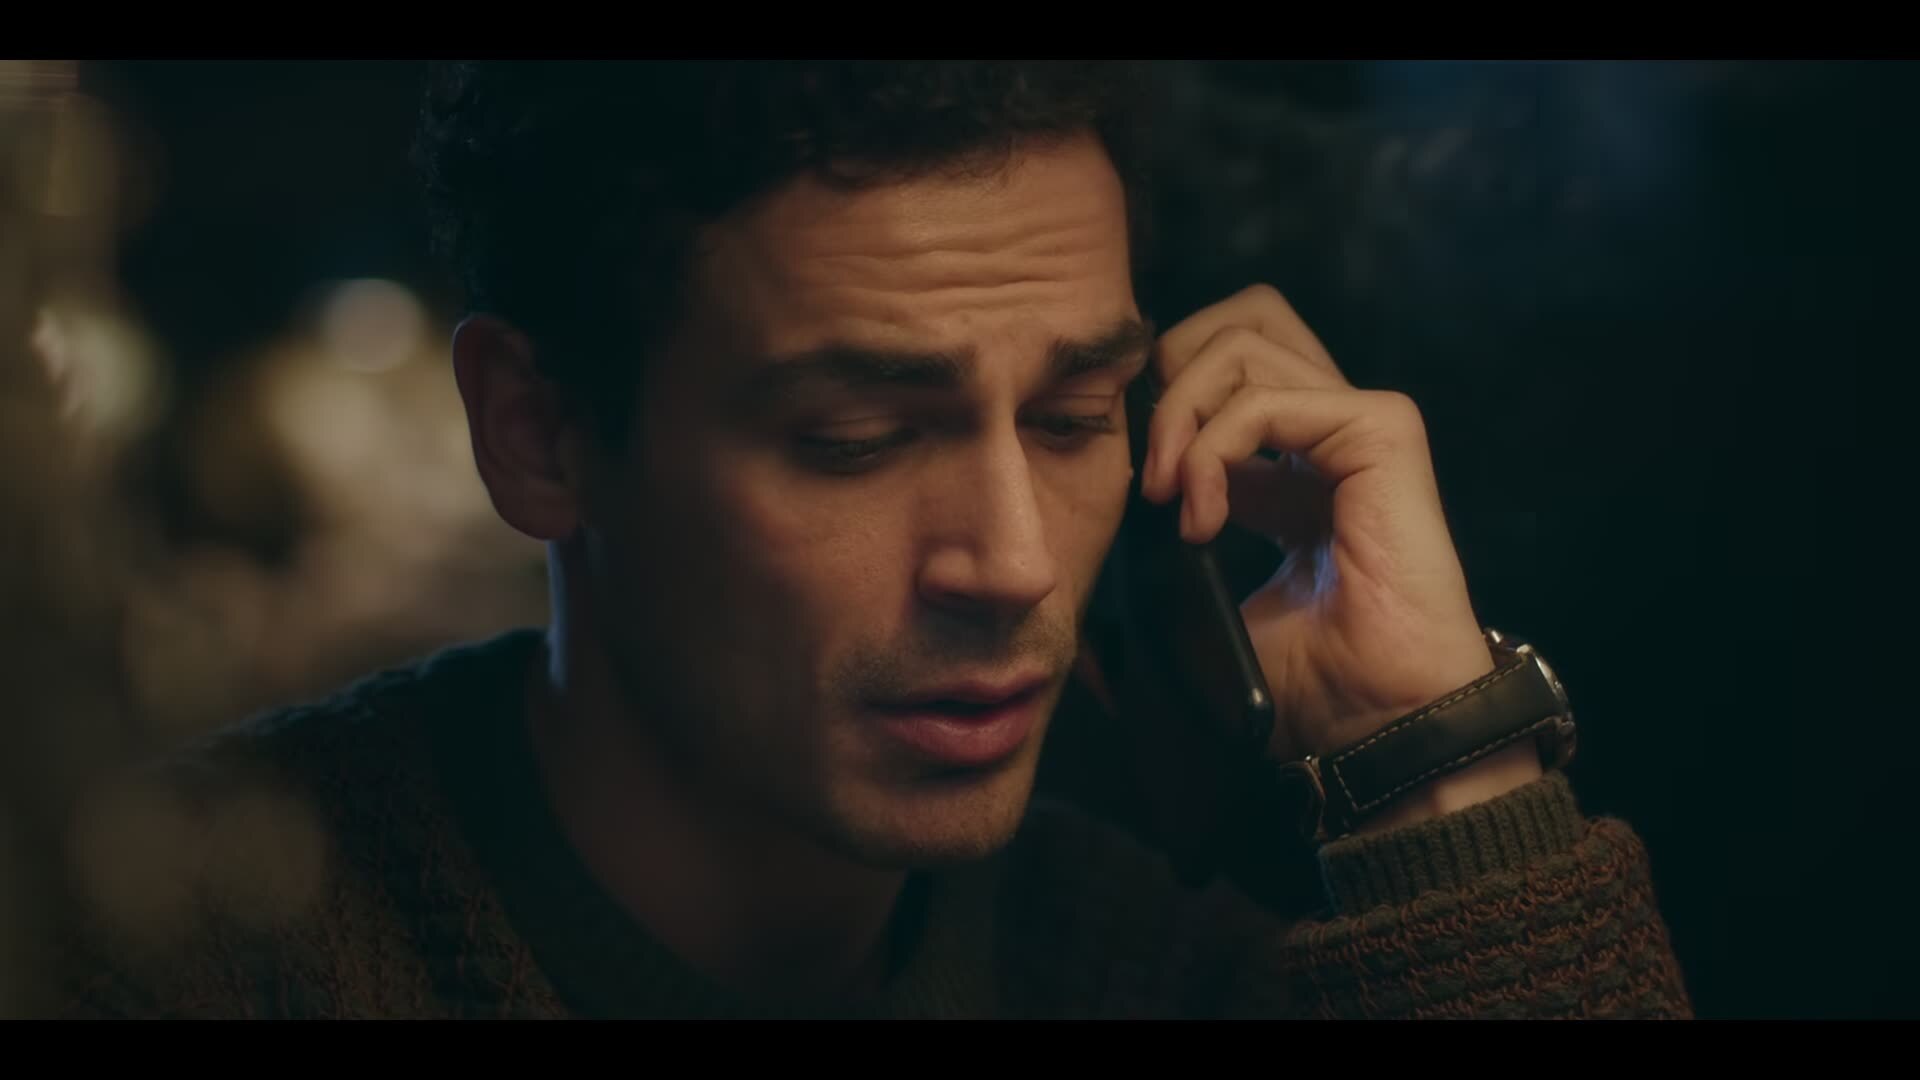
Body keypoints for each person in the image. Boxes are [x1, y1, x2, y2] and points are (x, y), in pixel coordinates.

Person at [50, 61, 1691, 1019]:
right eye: (853, 439)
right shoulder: (173, 950)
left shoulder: (1150, 972)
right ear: (538, 433)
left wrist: (1439, 760)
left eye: (1074, 417)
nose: (1013, 562)